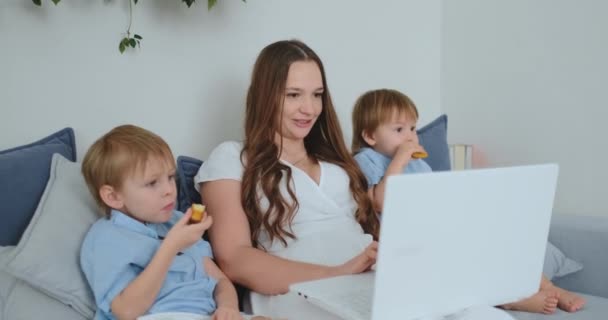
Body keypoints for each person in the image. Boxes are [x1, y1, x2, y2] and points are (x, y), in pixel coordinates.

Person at [195, 39, 516, 320]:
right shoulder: (233, 157)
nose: (309, 108)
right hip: (299, 290)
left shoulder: (336, 160)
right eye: (293, 95)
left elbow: (378, 216)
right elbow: (234, 258)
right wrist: (337, 273)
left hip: (371, 272)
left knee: (479, 312)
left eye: (317, 94)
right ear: (265, 96)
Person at [350, 88, 586, 314]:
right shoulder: (367, 159)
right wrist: (400, 160)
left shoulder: (419, 164)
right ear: (370, 135)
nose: (411, 137)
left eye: (413, 128)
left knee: (494, 244)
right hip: (410, 243)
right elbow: (382, 202)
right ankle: (512, 299)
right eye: (399, 129)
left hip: (439, 230)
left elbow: (441, 198)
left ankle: (548, 286)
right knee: (462, 272)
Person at [80, 124, 243, 320]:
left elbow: (220, 281)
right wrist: (171, 246)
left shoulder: (177, 222)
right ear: (113, 196)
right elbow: (126, 311)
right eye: (152, 183)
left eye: (170, 177)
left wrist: (229, 308)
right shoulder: (106, 237)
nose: (169, 190)